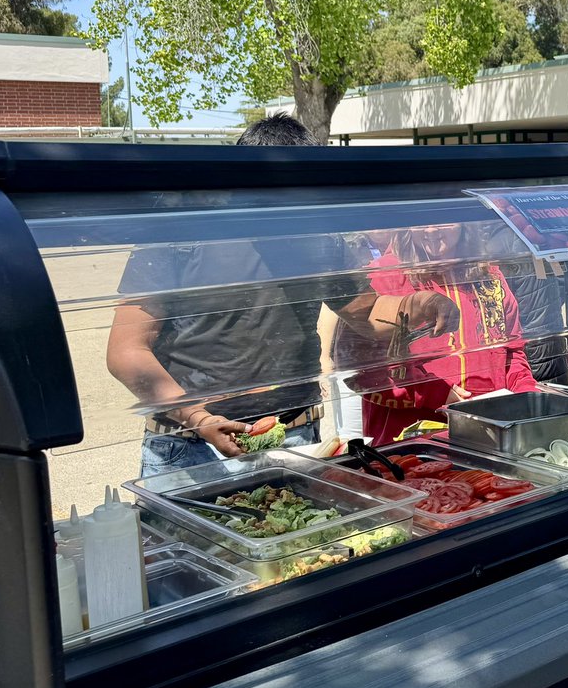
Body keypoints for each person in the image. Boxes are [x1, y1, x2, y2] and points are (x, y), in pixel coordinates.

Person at [107, 115, 456, 474]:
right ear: (240, 178)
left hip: (294, 435)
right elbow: (127, 349)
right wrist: (197, 416)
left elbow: (365, 314)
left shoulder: (319, 239)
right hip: (189, 445)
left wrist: (420, 304)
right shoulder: (182, 233)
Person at [338, 222, 538, 445]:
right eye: (421, 222)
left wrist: (527, 397)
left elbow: (512, 353)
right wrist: (435, 393)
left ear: (465, 224)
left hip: (490, 433)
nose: (431, 230)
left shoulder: (488, 275)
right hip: (414, 444)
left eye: (445, 221)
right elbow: (360, 369)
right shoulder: (382, 277)